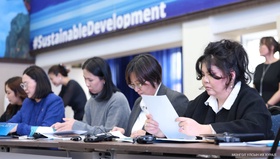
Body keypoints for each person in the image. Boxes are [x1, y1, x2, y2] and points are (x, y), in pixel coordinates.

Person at [145, 39, 274, 139]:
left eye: (211, 75)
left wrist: (205, 129)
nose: (205, 80)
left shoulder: (250, 98)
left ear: (231, 75)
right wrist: (161, 131)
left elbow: (257, 127)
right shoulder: (203, 100)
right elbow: (183, 128)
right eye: (203, 74)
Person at [111, 54, 189, 138]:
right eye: (133, 85)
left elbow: (181, 136)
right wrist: (123, 133)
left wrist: (148, 136)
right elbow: (133, 135)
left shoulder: (175, 99)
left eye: (139, 84)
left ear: (154, 77)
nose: (136, 89)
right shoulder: (138, 102)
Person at [52, 57, 131, 135]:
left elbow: (111, 133)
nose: (87, 84)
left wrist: (77, 126)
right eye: (85, 79)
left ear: (104, 79)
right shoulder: (91, 102)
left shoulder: (117, 99)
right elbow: (86, 131)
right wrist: (65, 129)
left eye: (90, 80)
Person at [8, 65, 65, 136]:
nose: (24, 88)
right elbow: (11, 123)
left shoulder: (55, 101)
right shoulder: (27, 102)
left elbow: (47, 131)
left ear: (38, 82)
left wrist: (19, 128)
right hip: (25, 145)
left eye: (26, 84)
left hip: (45, 146)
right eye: (23, 85)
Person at [253, 36, 280, 108]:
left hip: (275, 108)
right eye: (259, 46)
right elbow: (254, 89)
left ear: (272, 47)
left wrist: (268, 105)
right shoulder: (259, 67)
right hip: (259, 106)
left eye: (262, 45)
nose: (260, 48)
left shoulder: (278, 65)